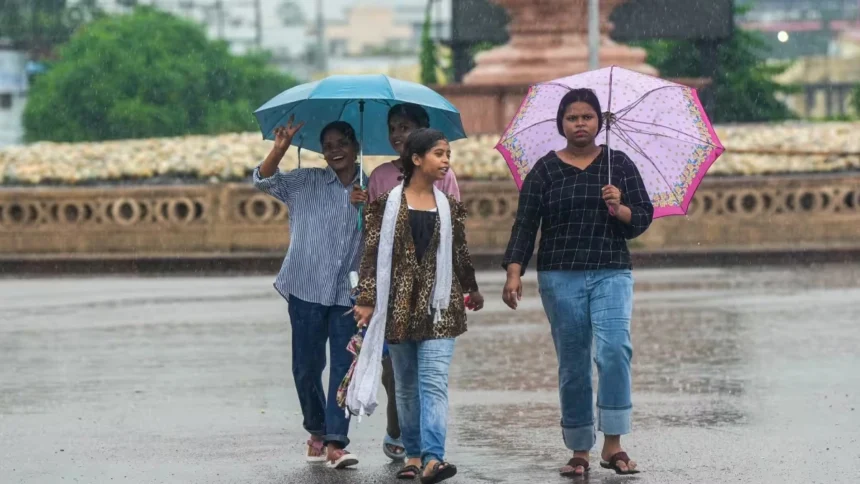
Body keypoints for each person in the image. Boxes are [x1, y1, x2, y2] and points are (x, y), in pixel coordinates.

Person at [501, 89, 653, 477]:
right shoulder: (545, 170)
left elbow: (642, 220)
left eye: (587, 116)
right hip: (559, 275)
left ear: (599, 122)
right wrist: (514, 270)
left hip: (611, 271)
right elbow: (525, 223)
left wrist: (619, 207)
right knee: (573, 363)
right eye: (572, 117)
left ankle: (614, 444)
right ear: (561, 124)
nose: (580, 123)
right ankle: (580, 449)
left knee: (615, 349)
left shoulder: (618, 165)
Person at [353, 128, 484, 483]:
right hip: (398, 306)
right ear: (416, 159)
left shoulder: (450, 207)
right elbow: (370, 255)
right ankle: (412, 456)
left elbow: (459, 252)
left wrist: (471, 289)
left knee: (434, 383)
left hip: (441, 308)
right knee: (407, 386)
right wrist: (366, 299)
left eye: (447, 155)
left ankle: (433, 458)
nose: (445, 161)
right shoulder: (384, 205)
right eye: (439, 154)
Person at [253, 115, 365, 470]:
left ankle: (335, 443)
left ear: (356, 146)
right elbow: (263, 181)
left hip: (349, 293)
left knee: (344, 368)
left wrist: (368, 208)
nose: (335, 151)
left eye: (342, 143)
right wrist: (279, 149)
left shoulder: (373, 188)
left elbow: (387, 233)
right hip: (305, 286)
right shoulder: (305, 181)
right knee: (306, 367)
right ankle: (316, 430)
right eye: (328, 145)